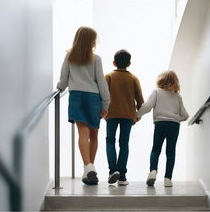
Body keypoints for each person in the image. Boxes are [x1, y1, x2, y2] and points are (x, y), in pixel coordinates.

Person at [57, 26, 110, 185]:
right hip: (93, 98)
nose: (96, 42)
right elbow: (101, 83)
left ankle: (88, 167)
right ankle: (89, 168)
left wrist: (59, 89)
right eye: (94, 38)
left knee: (83, 133)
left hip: (76, 97)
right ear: (89, 40)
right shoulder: (97, 59)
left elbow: (63, 80)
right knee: (94, 135)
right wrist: (106, 104)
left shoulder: (69, 56)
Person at [137, 70, 188, 187]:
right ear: (175, 82)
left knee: (156, 149)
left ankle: (153, 171)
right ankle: (168, 179)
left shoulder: (157, 92)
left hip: (160, 124)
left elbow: (147, 107)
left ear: (161, 81)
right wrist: (176, 119)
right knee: (171, 152)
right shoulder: (177, 97)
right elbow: (185, 115)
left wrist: (137, 115)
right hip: (174, 126)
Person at [105, 49, 144, 186]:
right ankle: (122, 176)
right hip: (128, 115)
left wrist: (102, 112)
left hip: (111, 114)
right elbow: (140, 102)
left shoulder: (108, 77)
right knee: (124, 144)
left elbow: (103, 97)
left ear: (114, 63)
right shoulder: (133, 78)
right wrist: (137, 117)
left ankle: (112, 171)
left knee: (110, 141)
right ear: (129, 63)